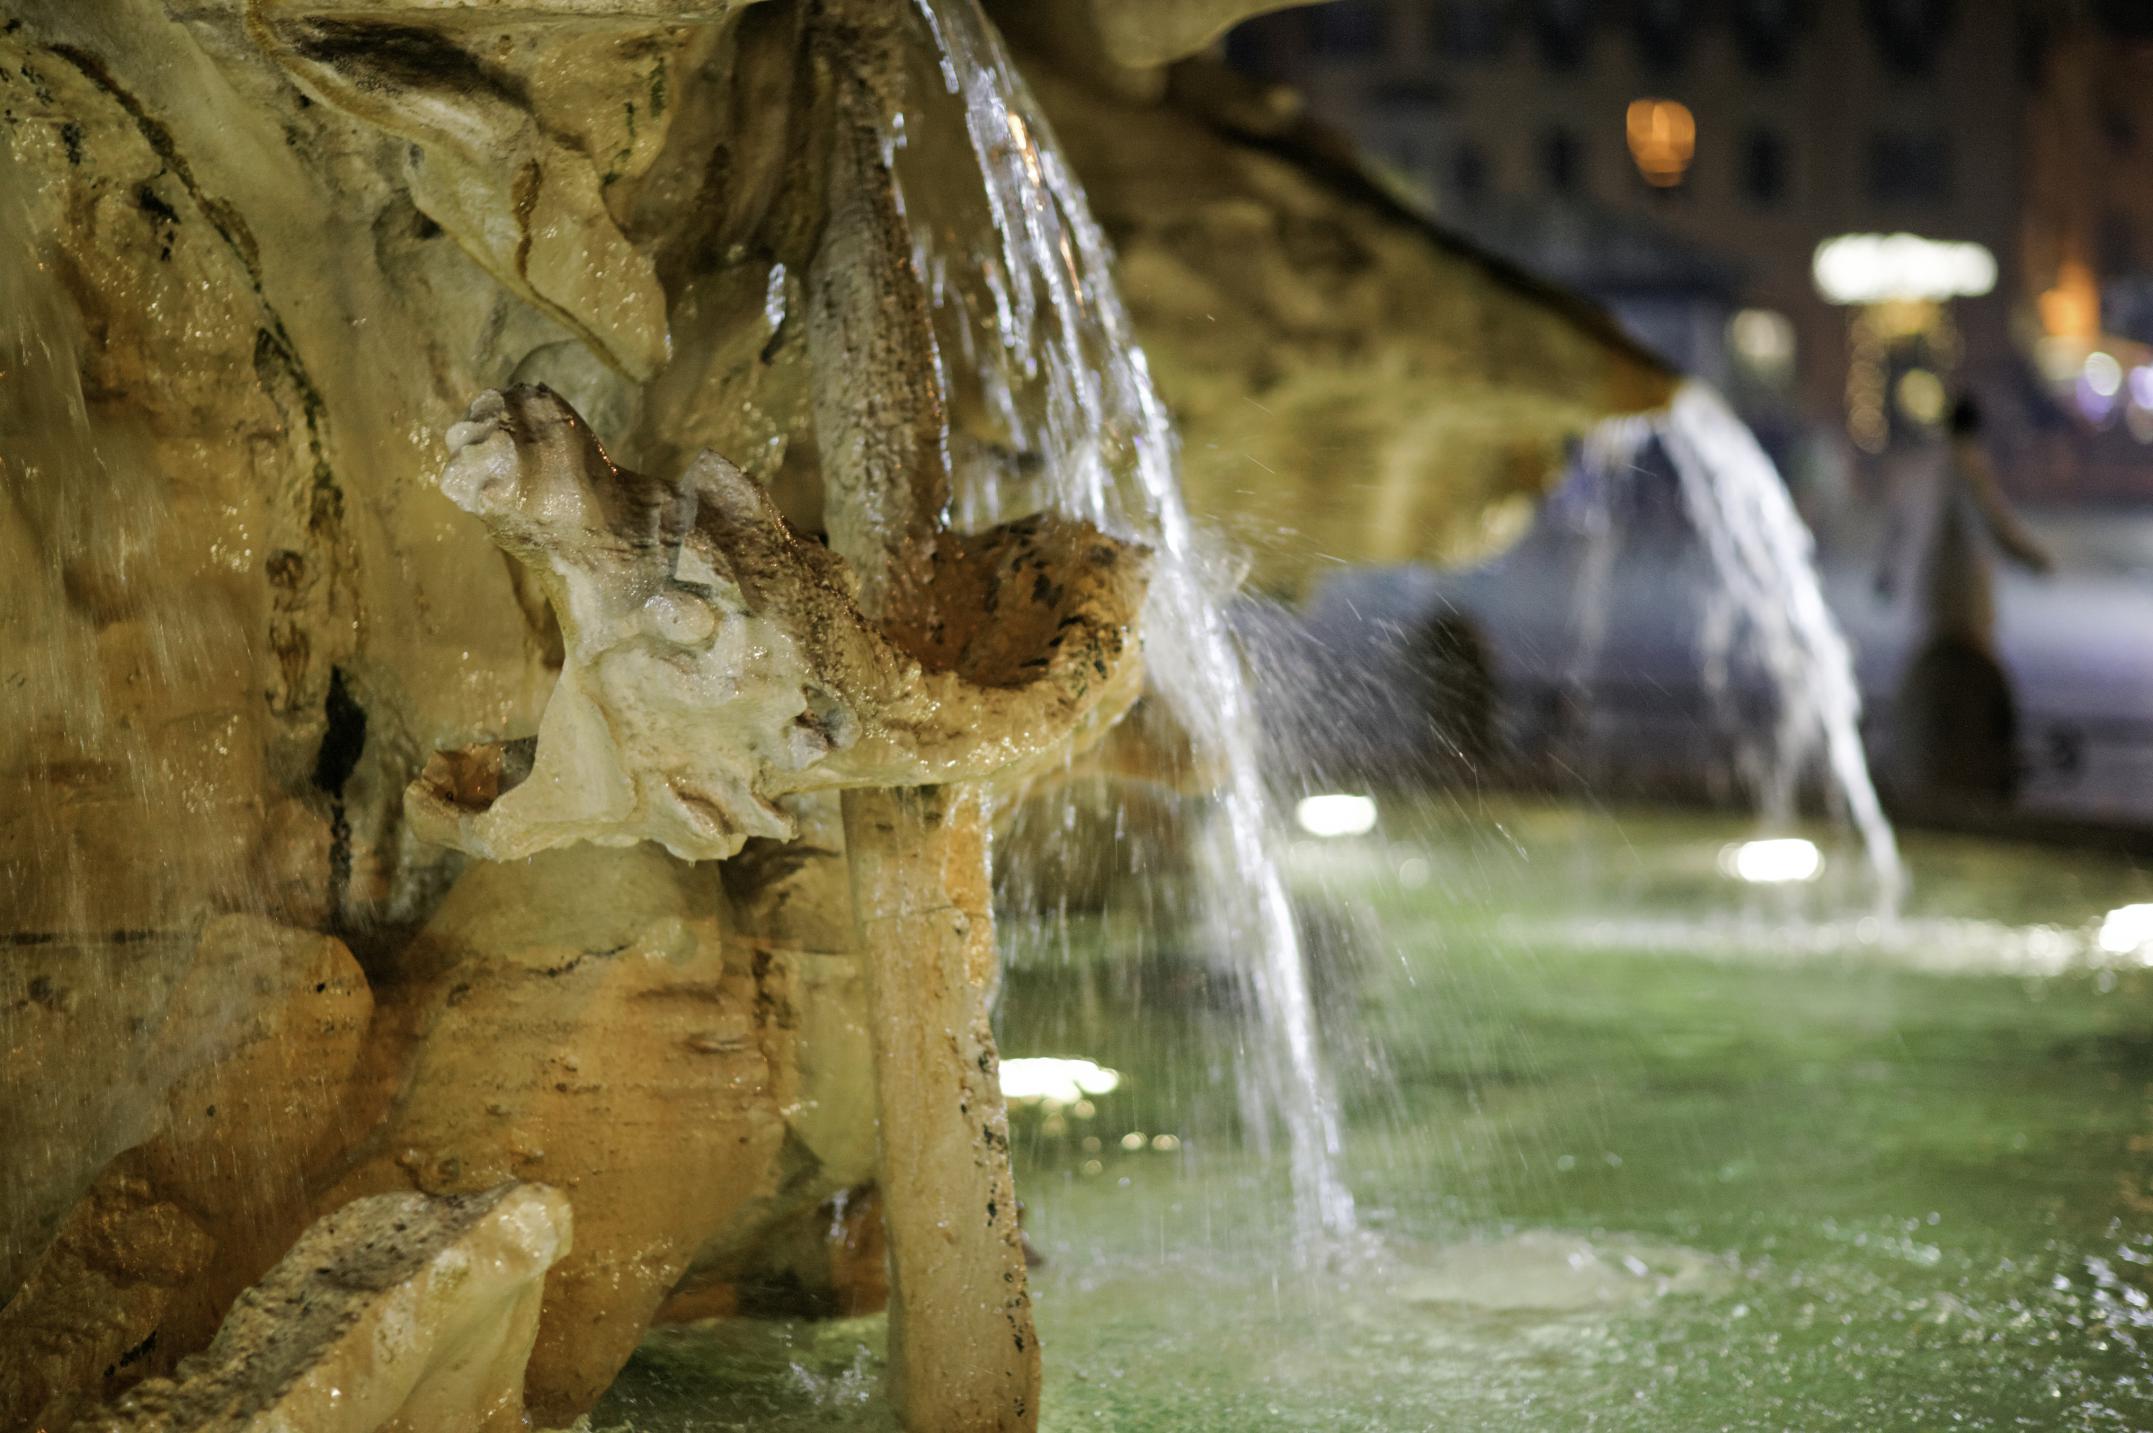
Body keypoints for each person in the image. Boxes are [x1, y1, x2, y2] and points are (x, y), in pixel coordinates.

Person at [1876, 393, 2055, 803]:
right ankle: (1967, 787)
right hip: (1962, 606)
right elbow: (1995, 525)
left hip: (1923, 605)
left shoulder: (1919, 468)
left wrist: (1886, 578)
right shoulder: (1968, 465)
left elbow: (1896, 531)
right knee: (1971, 696)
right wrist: (2036, 560)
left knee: (1934, 695)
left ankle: (1925, 776)